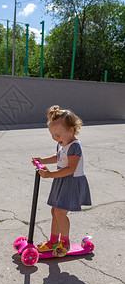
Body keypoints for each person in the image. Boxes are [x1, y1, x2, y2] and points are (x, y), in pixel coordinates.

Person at [32, 105, 91, 257]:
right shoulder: (62, 143)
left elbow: (70, 169)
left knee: (60, 213)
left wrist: (50, 174)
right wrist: (42, 160)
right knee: (54, 211)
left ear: (70, 130)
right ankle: (53, 241)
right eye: (52, 135)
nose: (55, 138)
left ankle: (65, 242)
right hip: (61, 180)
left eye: (57, 135)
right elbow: (58, 157)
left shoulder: (75, 147)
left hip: (72, 182)